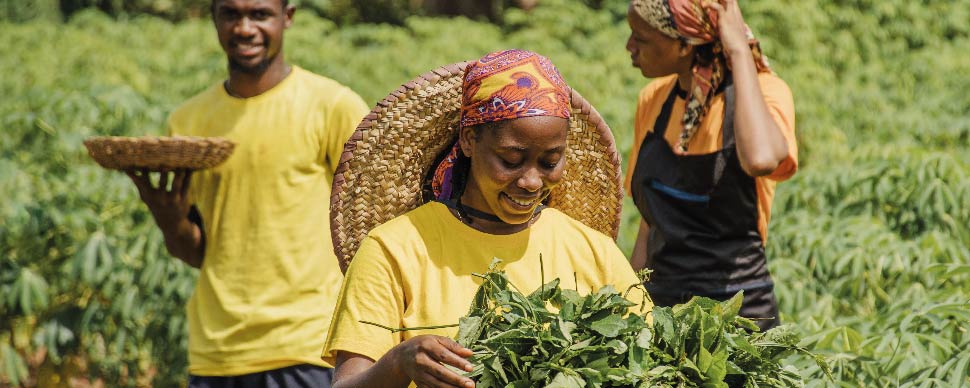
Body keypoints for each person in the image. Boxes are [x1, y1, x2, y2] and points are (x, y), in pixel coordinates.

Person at [321, 49, 649, 388]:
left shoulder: (592, 251)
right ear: (468, 141)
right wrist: (399, 363)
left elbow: (649, 361)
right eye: (510, 159)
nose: (531, 181)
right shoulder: (395, 249)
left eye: (550, 162)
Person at [125, 0, 369, 386]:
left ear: (286, 17)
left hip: (307, 346)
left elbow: (372, 227)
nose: (244, 28)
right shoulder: (188, 121)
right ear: (214, 19)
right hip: (216, 353)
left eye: (259, 14)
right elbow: (195, 251)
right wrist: (169, 220)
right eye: (230, 14)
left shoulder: (332, 106)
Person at [624, 0, 797, 331]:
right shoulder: (654, 99)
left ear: (685, 44)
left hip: (739, 317)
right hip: (664, 313)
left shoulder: (764, 95)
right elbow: (649, 225)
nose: (630, 47)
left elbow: (760, 159)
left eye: (641, 38)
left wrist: (739, 52)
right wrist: (632, 303)